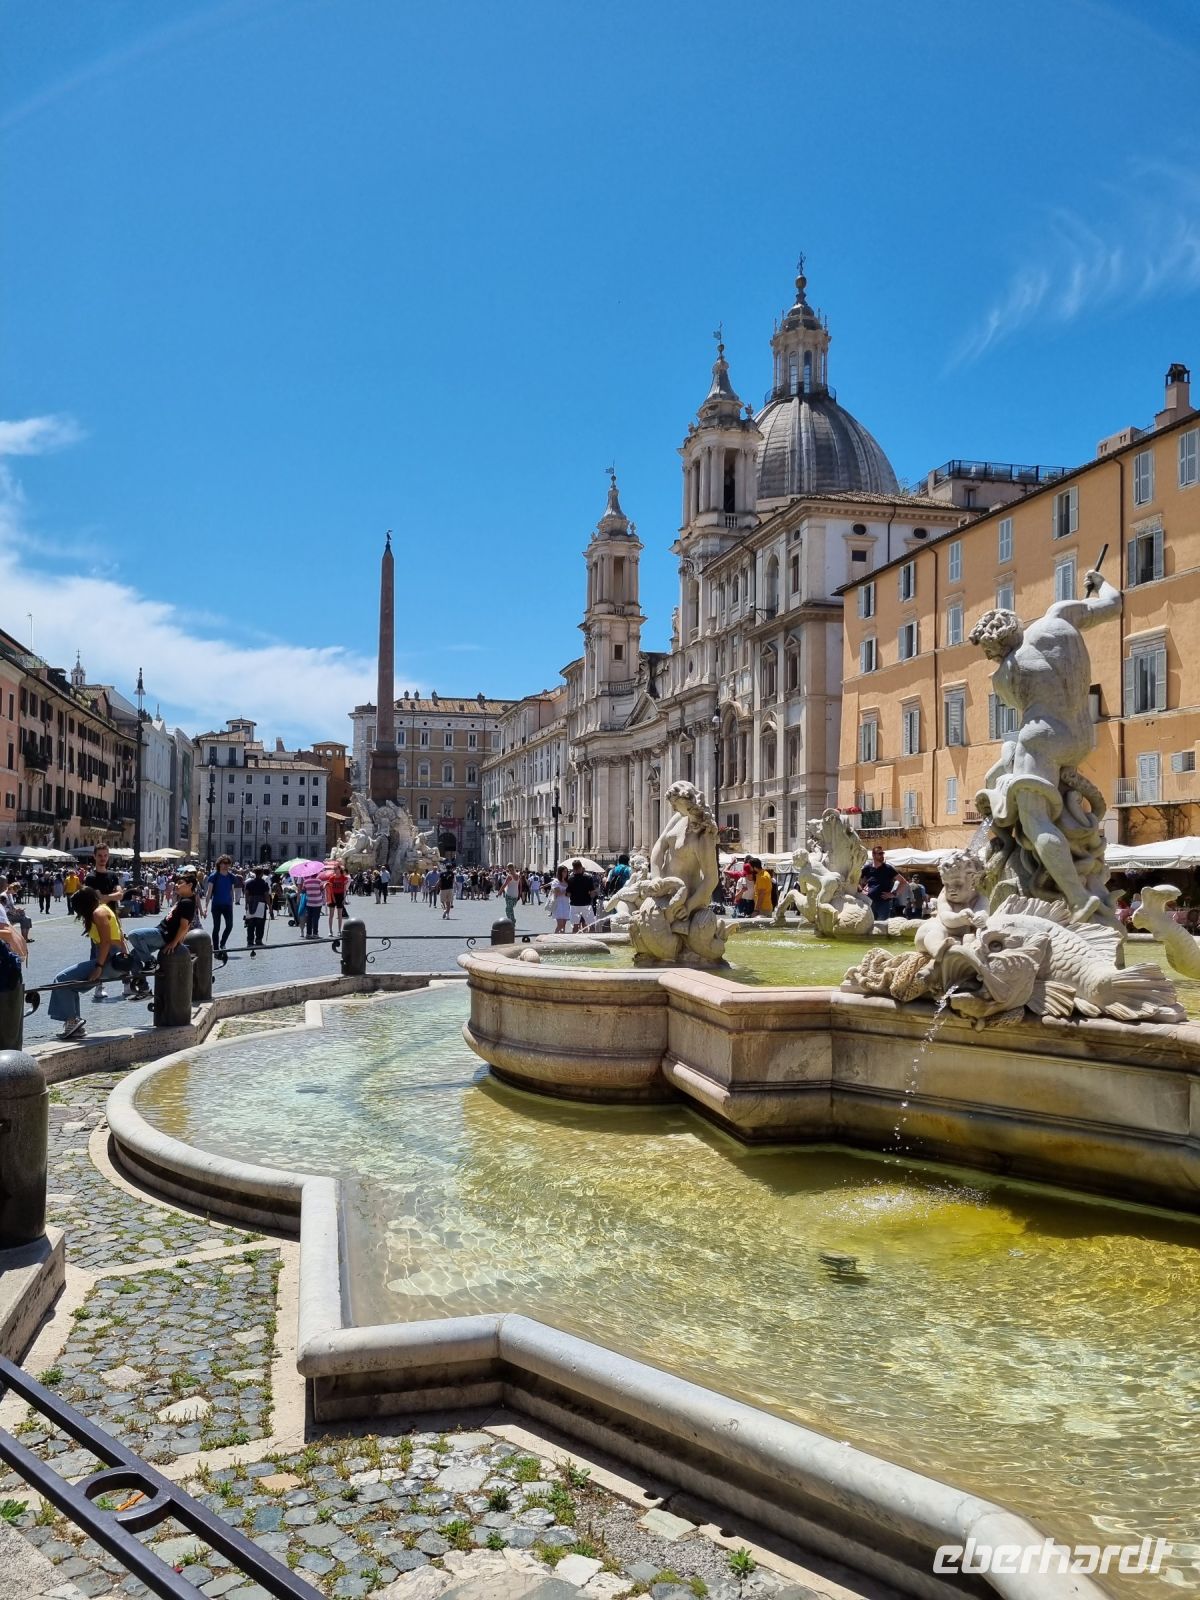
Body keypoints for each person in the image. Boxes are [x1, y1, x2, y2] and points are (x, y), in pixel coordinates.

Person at [971, 568, 1122, 924]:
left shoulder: (1006, 671)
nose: (991, 658)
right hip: (1081, 735)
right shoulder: (1058, 617)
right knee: (1000, 769)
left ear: (995, 648)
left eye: (989, 652)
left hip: (1040, 738)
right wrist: (1098, 583)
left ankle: (1076, 896)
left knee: (1036, 819)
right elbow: (1114, 604)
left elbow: (1017, 706)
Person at [47, 887, 158, 1041]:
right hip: (114, 959)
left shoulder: (98, 914)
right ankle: (74, 1024)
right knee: (69, 983)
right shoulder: (104, 908)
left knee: (62, 979)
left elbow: (106, 942)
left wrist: (98, 968)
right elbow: (120, 937)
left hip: (109, 960)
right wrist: (126, 961)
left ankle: (73, 1022)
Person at [204, 855, 236, 951]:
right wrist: (205, 907)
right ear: (219, 864)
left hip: (227, 905)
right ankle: (216, 948)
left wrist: (232, 902)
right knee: (216, 927)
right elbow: (209, 892)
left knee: (229, 926)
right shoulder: (214, 876)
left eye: (227, 863)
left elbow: (231, 891)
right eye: (224, 863)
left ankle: (223, 943)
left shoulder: (231, 877)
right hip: (216, 905)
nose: (226, 865)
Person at [860, 846, 898, 922]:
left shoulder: (888, 868)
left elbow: (903, 882)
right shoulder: (867, 868)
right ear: (873, 855)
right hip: (869, 902)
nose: (882, 855)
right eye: (880, 853)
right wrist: (861, 889)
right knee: (869, 925)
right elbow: (855, 880)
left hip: (884, 903)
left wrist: (893, 894)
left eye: (883, 853)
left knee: (882, 926)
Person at [244, 866, 271, 947]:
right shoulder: (264, 883)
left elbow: (246, 894)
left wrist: (246, 904)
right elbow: (266, 895)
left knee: (250, 924)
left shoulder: (249, 883)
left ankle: (250, 941)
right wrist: (270, 906)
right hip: (261, 903)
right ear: (262, 873)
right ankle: (258, 940)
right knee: (260, 924)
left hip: (251, 903)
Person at [566, 859, 596, 930]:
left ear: (573, 868)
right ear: (581, 867)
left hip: (574, 905)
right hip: (586, 904)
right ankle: (591, 939)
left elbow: (568, 894)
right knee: (591, 925)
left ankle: (575, 940)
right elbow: (592, 893)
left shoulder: (570, 879)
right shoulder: (588, 878)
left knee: (575, 926)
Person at [325, 860, 349, 934]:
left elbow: (345, 889)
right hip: (333, 896)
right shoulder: (331, 878)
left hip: (340, 896)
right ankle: (330, 930)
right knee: (331, 914)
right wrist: (328, 897)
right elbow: (329, 888)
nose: (335, 870)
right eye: (334, 869)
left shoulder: (343, 878)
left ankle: (339, 930)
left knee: (339, 915)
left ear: (339, 869)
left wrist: (344, 898)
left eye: (336, 869)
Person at [302, 871, 326, 939]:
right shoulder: (319, 881)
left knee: (309, 918)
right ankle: (315, 933)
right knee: (316, 918)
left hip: (309, 902)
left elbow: (303, 891)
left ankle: (308, 934)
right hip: (318, 902)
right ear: (316, 874)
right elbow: (322, 890)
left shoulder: (306, 882)